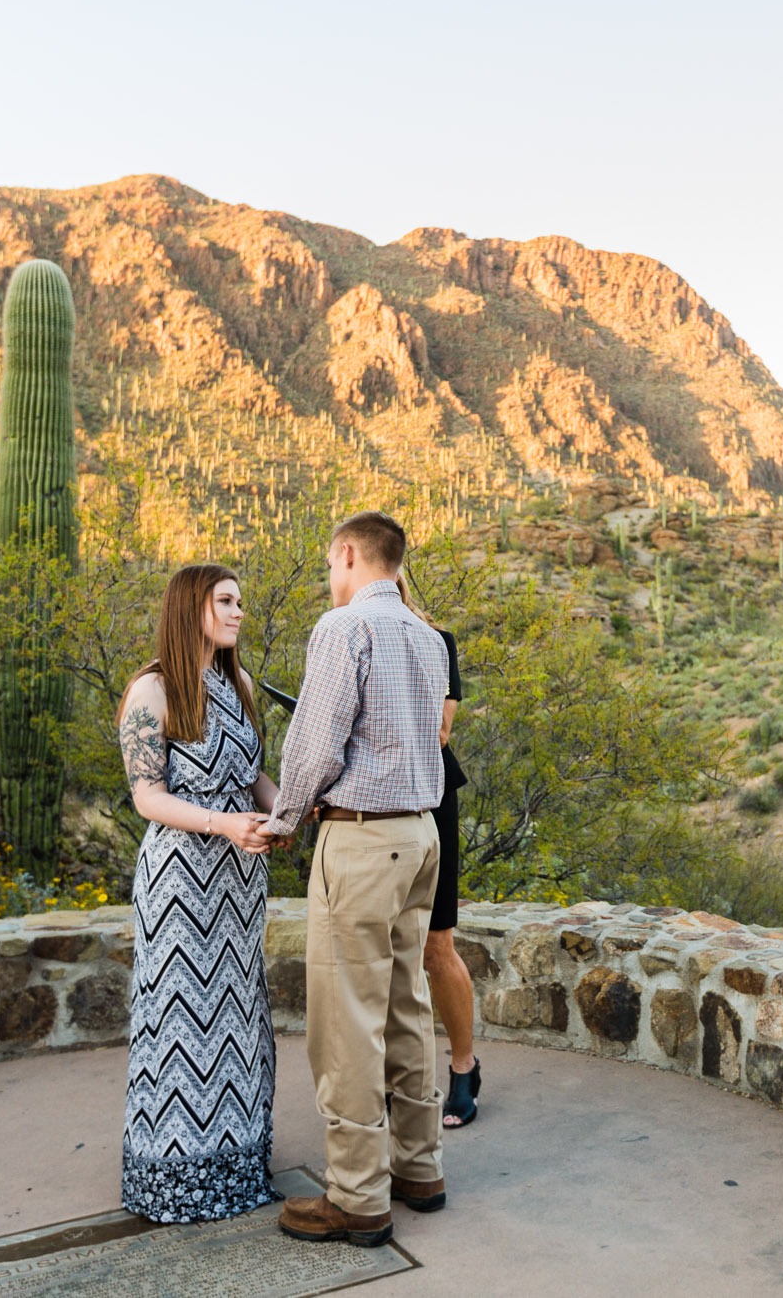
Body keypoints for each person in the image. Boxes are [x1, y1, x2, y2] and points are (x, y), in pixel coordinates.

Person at [265, 511, 450, 1248]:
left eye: (330, 563)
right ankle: (419, 1167)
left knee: (346, 1020)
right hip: (421, 833)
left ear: (347, 554)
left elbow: (315, 740)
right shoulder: (427, 636)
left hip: (363, 839)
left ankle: (357, 1196)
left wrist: (282, 819)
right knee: (405, 999)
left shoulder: (344, 629)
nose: (329, 577)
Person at [115, 564, 281, 1223]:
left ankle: (235, 1169)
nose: (239, 611)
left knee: (237, 1023)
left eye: (241, 600)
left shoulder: (235, 682)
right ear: (192, 607)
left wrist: (282, 811)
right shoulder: (151, 689)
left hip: (241, 881)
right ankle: (174, 1181)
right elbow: (146, 795)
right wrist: (223, 822)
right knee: (181, 1020)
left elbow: (252, 774)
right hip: (182, 880)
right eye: (226, 600)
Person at [395, 576, 482, 1128]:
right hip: (372, 807)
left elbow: (442, 730)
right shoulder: (346, 641)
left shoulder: (437, 641)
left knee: (436, 944)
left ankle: (463, 1067)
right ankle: (398, 1077)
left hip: (430, 796)